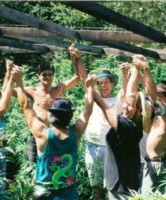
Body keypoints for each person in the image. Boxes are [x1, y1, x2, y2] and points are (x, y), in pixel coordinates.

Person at [15, 65, 96, 200]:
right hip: (68, 193)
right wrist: (91, 88)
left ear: (51, 116)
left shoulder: (42, 134)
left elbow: (25, 106)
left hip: (44, 192)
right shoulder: (76, 134)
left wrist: (18, 81)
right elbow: (88, 111)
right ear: (70, 117)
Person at [3, 48, 80, 163]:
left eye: (50, 74)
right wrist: (8, 73)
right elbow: (6, 90)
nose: (47, 77)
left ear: (53, 76)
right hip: (36, 135)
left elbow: (77, 78)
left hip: (55, 134)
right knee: (34, 165)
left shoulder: (58, 89)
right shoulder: (32, 91)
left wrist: (75, 60)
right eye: (44, 75)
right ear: (38, 76)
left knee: (55, 164)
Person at [69, 45, 121, 199]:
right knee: (95, 186)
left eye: (106, 82)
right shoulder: (94, 96)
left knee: (111, 184)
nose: (103, 85)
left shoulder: (117, 101)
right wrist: (78, 59)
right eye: (100, 83)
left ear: (112, 84)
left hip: (110, 148)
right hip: (92, 146)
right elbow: (85, 79)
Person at [94, 59, 151, 199]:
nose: (125, 106)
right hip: (124, 180)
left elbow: (105, 107)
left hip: (122, 185)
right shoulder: (134, 122)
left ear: (138, 110)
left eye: (130, 105)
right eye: (125, 103)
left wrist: (89, 87)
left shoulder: (126, 126)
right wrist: (132, 72)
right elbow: (129, 96)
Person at [136, 55, 166, 193]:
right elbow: (149, 90)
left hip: (158, 164)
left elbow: (152, 94)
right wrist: (138, 70)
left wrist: (146, 68)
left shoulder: (164, 113)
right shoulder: (158, 114)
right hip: (150, 163)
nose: (158, 97)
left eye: (161, 95)